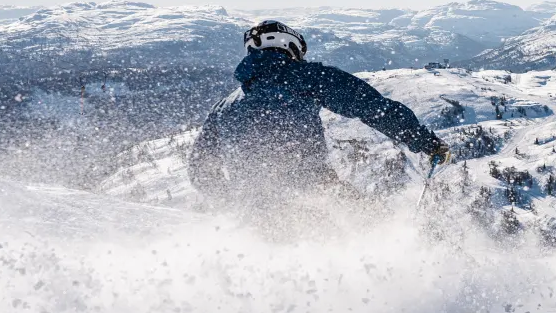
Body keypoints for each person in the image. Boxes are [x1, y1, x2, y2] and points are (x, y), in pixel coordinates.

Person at [188, 19, 451, 214]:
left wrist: (234, 200)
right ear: (289, 45)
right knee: (368, 227)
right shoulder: (306, 76)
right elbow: (373, 107)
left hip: (253, 211)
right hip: (311, 190)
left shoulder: (224, 105)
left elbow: (200, 168)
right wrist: (425, 143)